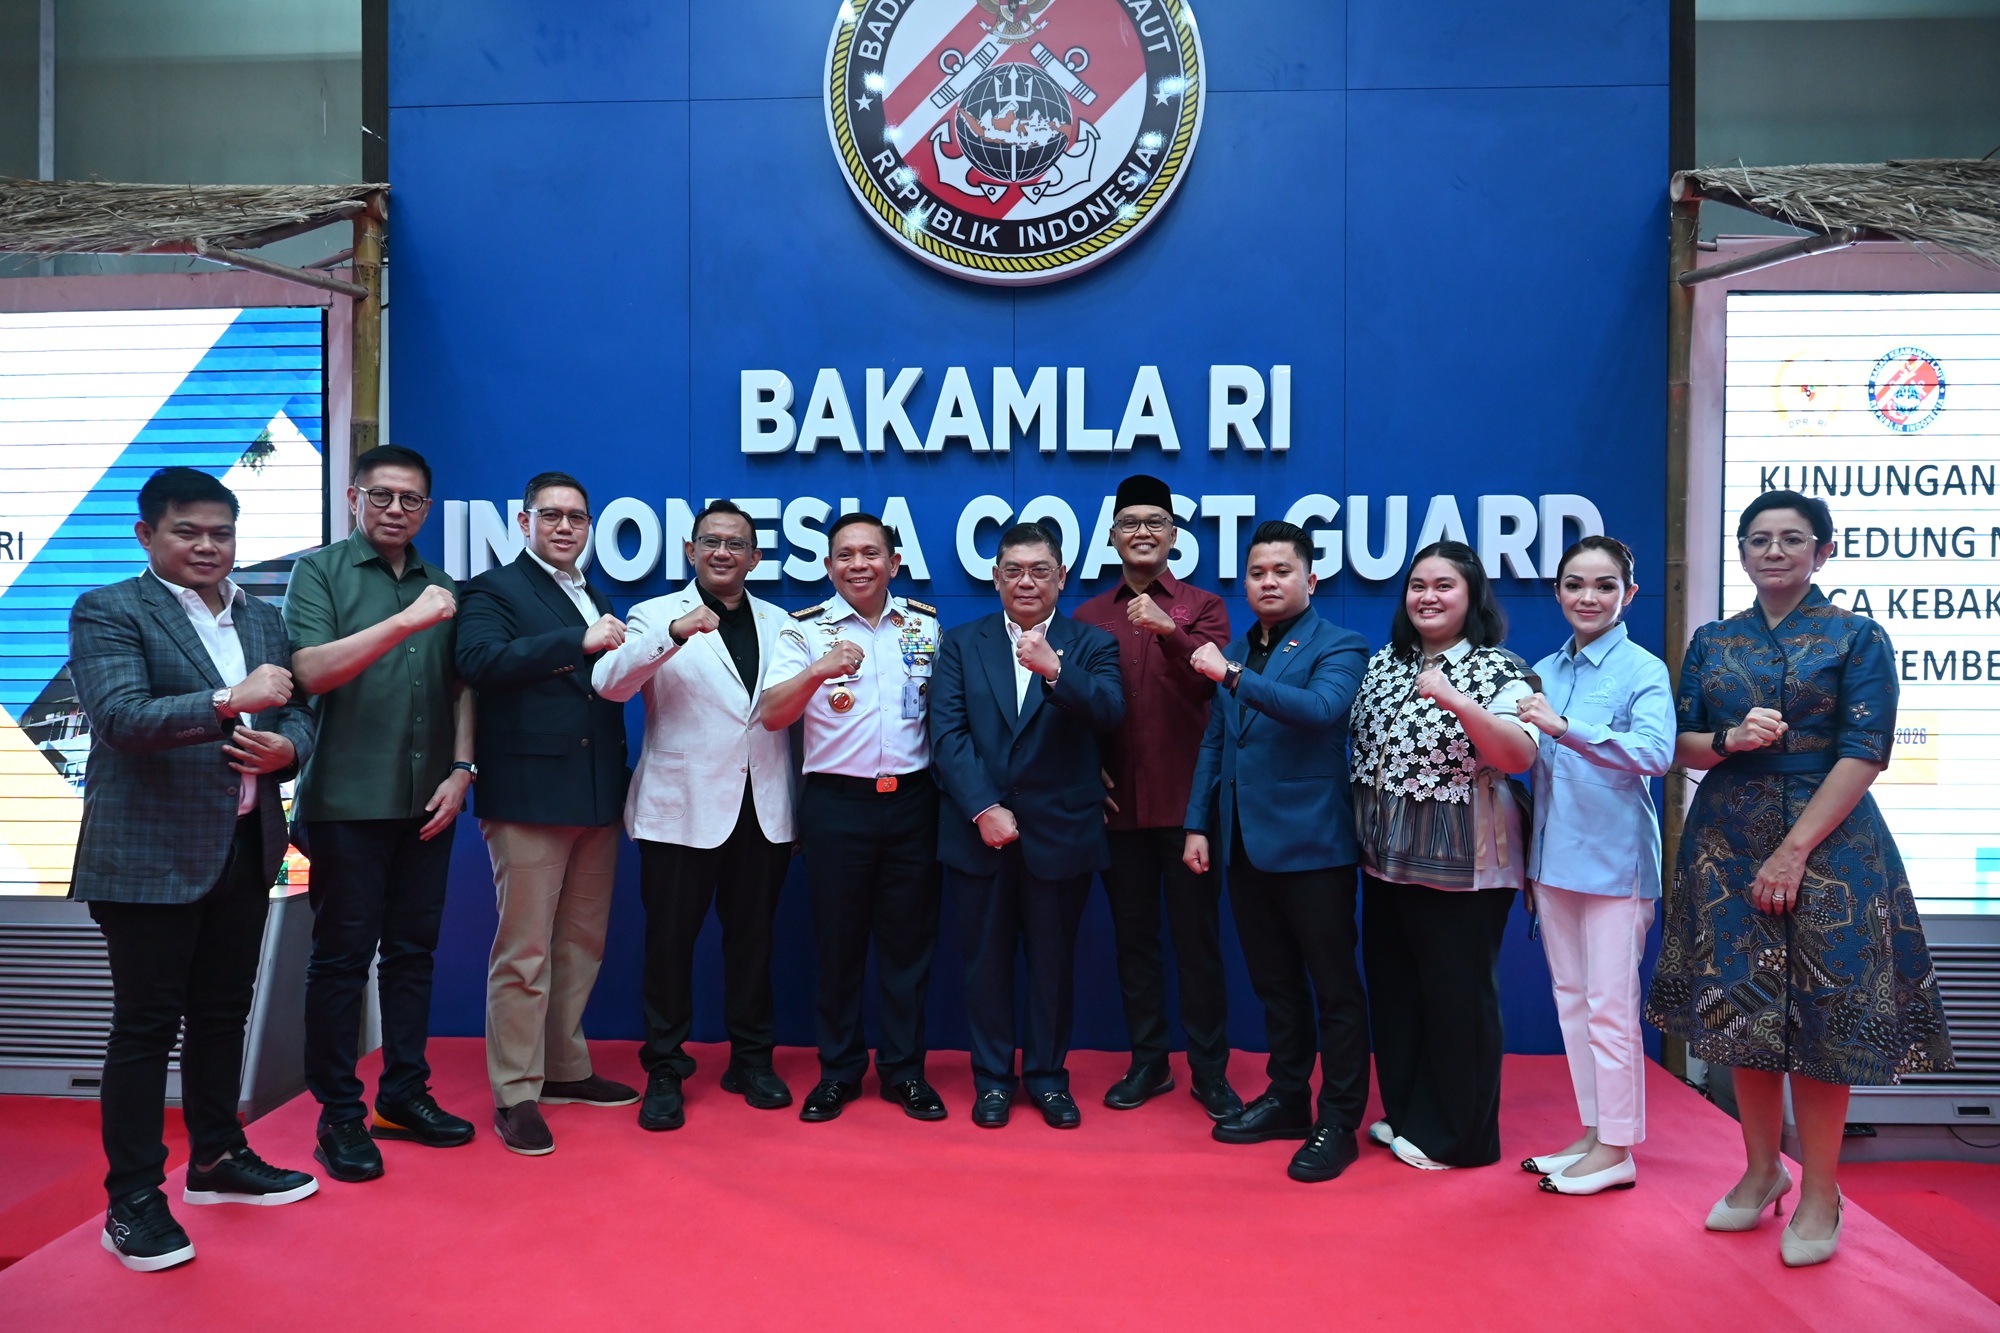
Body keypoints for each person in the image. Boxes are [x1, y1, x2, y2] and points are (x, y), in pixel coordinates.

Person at [1645, 490, 1953, 1266]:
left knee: (1824, 1019)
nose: (1773, 550)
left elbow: (1866, 750)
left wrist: (1793, 851)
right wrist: (1727, 736)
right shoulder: (1714, 641)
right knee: (1740, 1009)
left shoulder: (1857, 636)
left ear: (1823, 550)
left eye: (1792, 539)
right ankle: (1759, 1171)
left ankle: (1821, 1190)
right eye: (1758, 539)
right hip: (1725, 842)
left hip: (1835, 846)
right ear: (1743, 552)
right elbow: (1679, 744)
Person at [69, 467, 320, 1272]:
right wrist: (226, 698)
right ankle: (133, 1200)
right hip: (146, 857)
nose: (209, 546)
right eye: (189, 531)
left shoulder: (263, 616)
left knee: (222, 1016)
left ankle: (216, 1158)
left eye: (222, 532)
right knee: (145, 1028)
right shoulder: (110, 609)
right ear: (147, 535)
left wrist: (291, 749)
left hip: (246, 849)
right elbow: (118, 719)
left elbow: (301, 710)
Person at [285, 444, 477, 1183]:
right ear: (353, 496)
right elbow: (311, 671)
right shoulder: (321, 571)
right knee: (340, 960)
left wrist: (462, 771)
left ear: (427, 509)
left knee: (412, 955)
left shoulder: (442, 583)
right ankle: (338, 1114)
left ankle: (404, 1093)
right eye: (384, 496)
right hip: (346, 802)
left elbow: (464, 688)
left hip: (428, 800)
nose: (397, 510)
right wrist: (404, 622)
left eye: (412, 500)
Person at [592, 500, 794, 1131]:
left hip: (761, 808)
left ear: (755, 558)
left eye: (737, 544)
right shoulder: (653, 615)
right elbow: (609, 684)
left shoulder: (785, 622)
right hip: (680, 810)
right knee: (670, 945)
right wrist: (674, 634)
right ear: (690, 550)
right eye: (711, 542)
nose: (723, 553)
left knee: (754, 942)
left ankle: (752, 1059)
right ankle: (665, 1066)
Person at [1183, 521, 1370, 1182]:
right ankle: (1290, 1097)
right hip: (1243, 845)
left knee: (1334, 988)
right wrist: (1197, 823)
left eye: (1281, 570)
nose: (1268, 581)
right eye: (1257, 571)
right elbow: (1216, 746)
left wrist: (1232, 675)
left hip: (1314, 846)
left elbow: (1321, 710)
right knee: (1275, 986)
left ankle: (1340, 1117)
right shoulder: (1235, 649)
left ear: (1310, 579)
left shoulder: (1340, 645)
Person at [457, 472, 637, 1155]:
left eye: (577, 517)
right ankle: (516, 1090)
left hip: (595, 795)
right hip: (529, 796)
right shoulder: (493, 589)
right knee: (524, 950)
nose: (565, 526)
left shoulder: (591, 592)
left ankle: (564, 1067)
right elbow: (478, 661)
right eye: (552, 515)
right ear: (524, 520)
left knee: (580, 942)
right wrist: (578, 642)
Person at [1350, 539, 1539, 1171]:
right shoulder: (1386, 663)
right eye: (1418, 586)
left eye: (1444, 586)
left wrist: (1460, 702)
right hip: (1385, 860)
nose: (1428, 597)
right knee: (1399, 991)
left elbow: (1518, 755)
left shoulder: (1498, 669)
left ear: (1472, 596)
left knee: (1458, 997)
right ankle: (1409, 1115)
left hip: (1465, 865)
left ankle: (1461, 1138)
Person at [931, 522, 1124, 1129]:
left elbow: (1111, 713)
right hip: (978, 834)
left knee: (1052, 966)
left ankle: (1046, 1077)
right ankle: (992, 1080)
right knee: (984, 964)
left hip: (1061, 836)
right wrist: (984, 808)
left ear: (1062, 577)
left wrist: (1056, 672)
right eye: (1013, 569)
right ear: (995, 577)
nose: (1026, 581)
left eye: (1040, 569)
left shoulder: (1090, 643)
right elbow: (946, 735)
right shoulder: (962, 643)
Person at [761, 513, 946, 1123]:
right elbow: (772, 715)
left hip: (914, 801)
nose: (858, 564)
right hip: (837, 806)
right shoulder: (803, 632)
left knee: (907, 946)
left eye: (871, 553)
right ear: (829, 565)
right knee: (838, 946)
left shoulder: (924, 626)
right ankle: (838, 1071)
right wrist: (818, 670)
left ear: (894, 563)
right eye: (845, 555)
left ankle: (904, 1072)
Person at [1075, 475, 1240, 1120]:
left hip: (1189, 811)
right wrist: (1087, 769)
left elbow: (1215, 685)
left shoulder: (1205, 607)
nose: (1142, 532)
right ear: (1113, 536)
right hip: (1118, 815)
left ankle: (1209, 1071)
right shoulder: (1088, 616)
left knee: (1198, 944)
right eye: (1129, 522)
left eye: (1155, 522)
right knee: (1134, 941)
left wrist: (1168, 628)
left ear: (1173, 535)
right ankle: (1148, 1063)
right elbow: (1069, 706)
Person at [1513, 536, 1674, 1196]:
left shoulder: (1643, 669)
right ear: (1557, 591)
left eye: (1605, 585)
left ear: (1628, 594)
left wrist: (1564, 727)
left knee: (1612, 1007)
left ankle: (1619, 1148)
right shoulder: (1544, 668)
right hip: (1554, 864)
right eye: (1575, 583)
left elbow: (1657, 753)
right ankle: (1591, 1133)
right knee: (1572, 1004)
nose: (1588, 596)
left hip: (1616, 866)